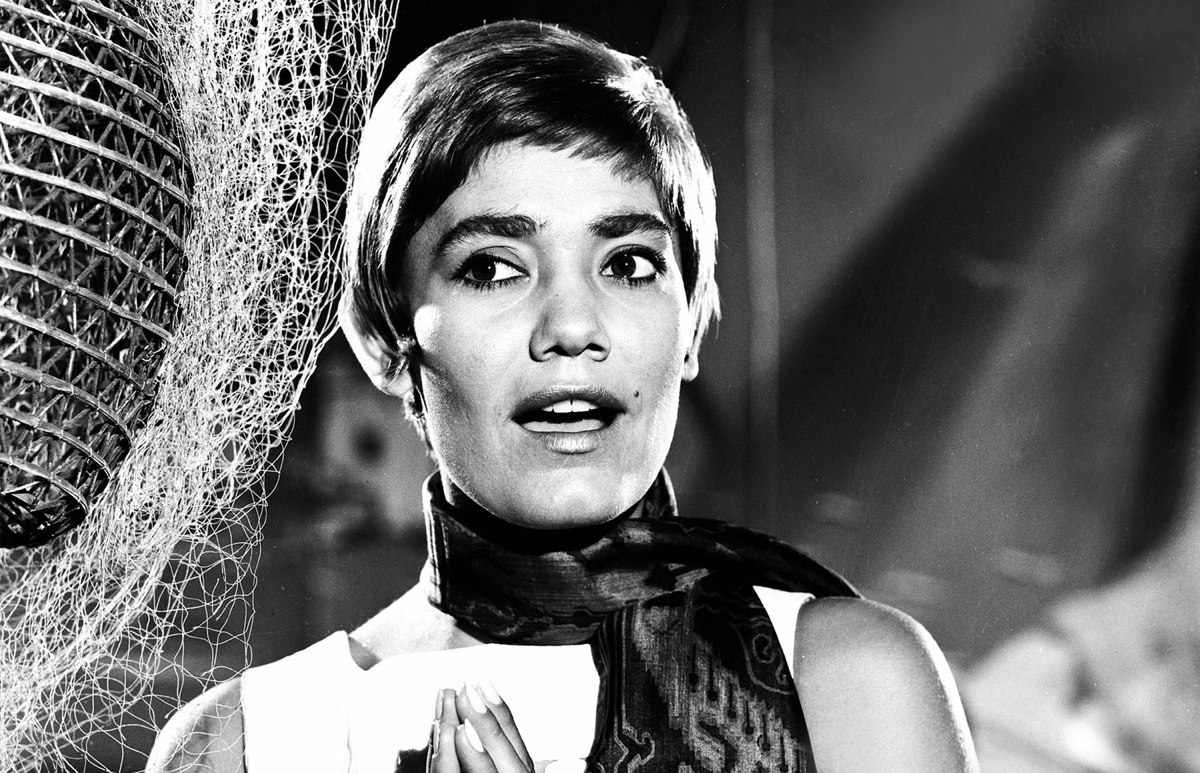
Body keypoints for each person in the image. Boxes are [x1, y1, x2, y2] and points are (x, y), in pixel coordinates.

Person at [147, 20, 978, 773]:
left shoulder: (848, 684)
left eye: (628, 264)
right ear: (383, 337)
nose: (573, 327)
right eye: (492, 268)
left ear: (691, 326)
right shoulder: (245, 743)